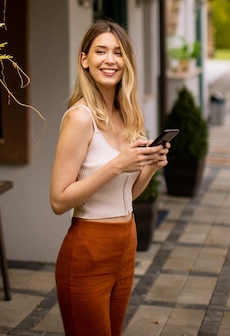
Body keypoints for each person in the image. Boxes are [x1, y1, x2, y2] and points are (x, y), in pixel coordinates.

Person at [50, 20, 169, 336]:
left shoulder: (127, 116)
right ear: (84, 60)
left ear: (126, 61)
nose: (110, 60)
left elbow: (126, 196)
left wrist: (149, 166)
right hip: (88, 251)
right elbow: (59, 201)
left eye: (118, 52)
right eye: (100, 51)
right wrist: (118, 164)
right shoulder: (79, 117)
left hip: (126, 244)